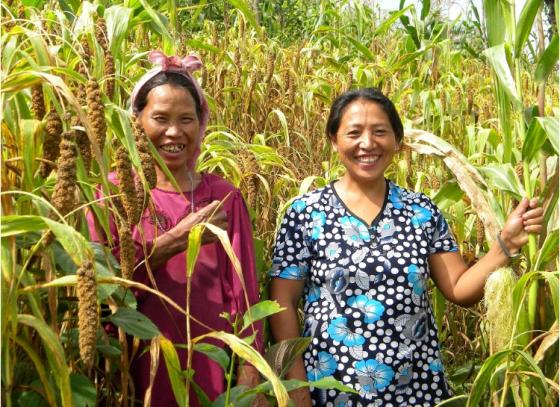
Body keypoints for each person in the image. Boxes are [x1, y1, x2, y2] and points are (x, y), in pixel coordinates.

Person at [268, 88, 543, 406]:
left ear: (397, 142)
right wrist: (297, 388)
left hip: (415, 390)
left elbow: (458, 287)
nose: (368, 144)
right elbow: (281, 300)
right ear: (334, 140)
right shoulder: (305, 213)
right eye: (354, 133)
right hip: (331, 391)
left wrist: (504, 245)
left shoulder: (421, 211)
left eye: (380, 132)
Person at [87, 51, 263, 406]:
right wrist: (175, 240)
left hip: (209, 371)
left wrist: (249, 379)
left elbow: (245, 297)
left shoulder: (222, 197)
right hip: (130, 368)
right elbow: (101, 289)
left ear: (201, 123)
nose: (174, 132)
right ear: (136, 122)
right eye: (160, 118)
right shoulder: (111, 193)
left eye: (186, 119)